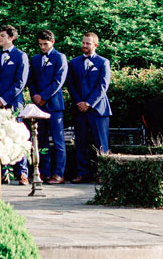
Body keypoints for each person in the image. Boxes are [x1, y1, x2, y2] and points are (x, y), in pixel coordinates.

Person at [0, 25, 31, 184]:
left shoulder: (21, 56)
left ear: (11, 38)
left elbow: (20, 82)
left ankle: (23, 173)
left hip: (14, 103)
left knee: (18, 137)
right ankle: (2, 173)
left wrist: (4, 99)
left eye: (2, 36)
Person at [69, 31, 112, 183]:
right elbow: (71, 85)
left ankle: (103, 173)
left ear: (95, 45)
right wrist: (80, 102)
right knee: (81, 142)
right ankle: (82, 173)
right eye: (83, 42)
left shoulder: (103, 62)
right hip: (80, 109)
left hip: (98, 109)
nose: (84, 45)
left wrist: (89, 103)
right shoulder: (74, 63)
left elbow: (103, 86)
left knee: (101, 143)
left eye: (88, 43)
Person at [30, 28, 68, 184]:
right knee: (41, 140)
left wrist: (44, 96)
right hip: (38, 105)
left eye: (45, 44)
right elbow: (30, 80)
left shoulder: (60, 57)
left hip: (54, 105)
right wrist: (35, 96)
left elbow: (58, 81)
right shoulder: (35, 59)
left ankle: (59, 174)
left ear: (52, 42)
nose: (43, 47)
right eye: (40, 45)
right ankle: (44, 172)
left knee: (58, 141)